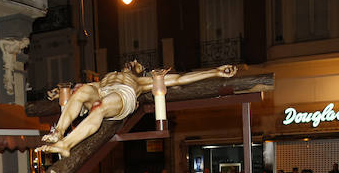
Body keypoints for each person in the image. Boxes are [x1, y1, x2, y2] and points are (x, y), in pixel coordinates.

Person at [38, 62, 236, 156]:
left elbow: (179, 79)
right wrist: (60, 94)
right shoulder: (105, 77)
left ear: (141, 70)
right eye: (132, 62)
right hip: (103, 90)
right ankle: (59, 133)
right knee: (82, 92)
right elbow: (76, 94)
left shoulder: (140, 80)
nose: (133, 63)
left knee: (99, 107)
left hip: (123, 96)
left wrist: (215, 72)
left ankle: (67, 145)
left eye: (138, 64)